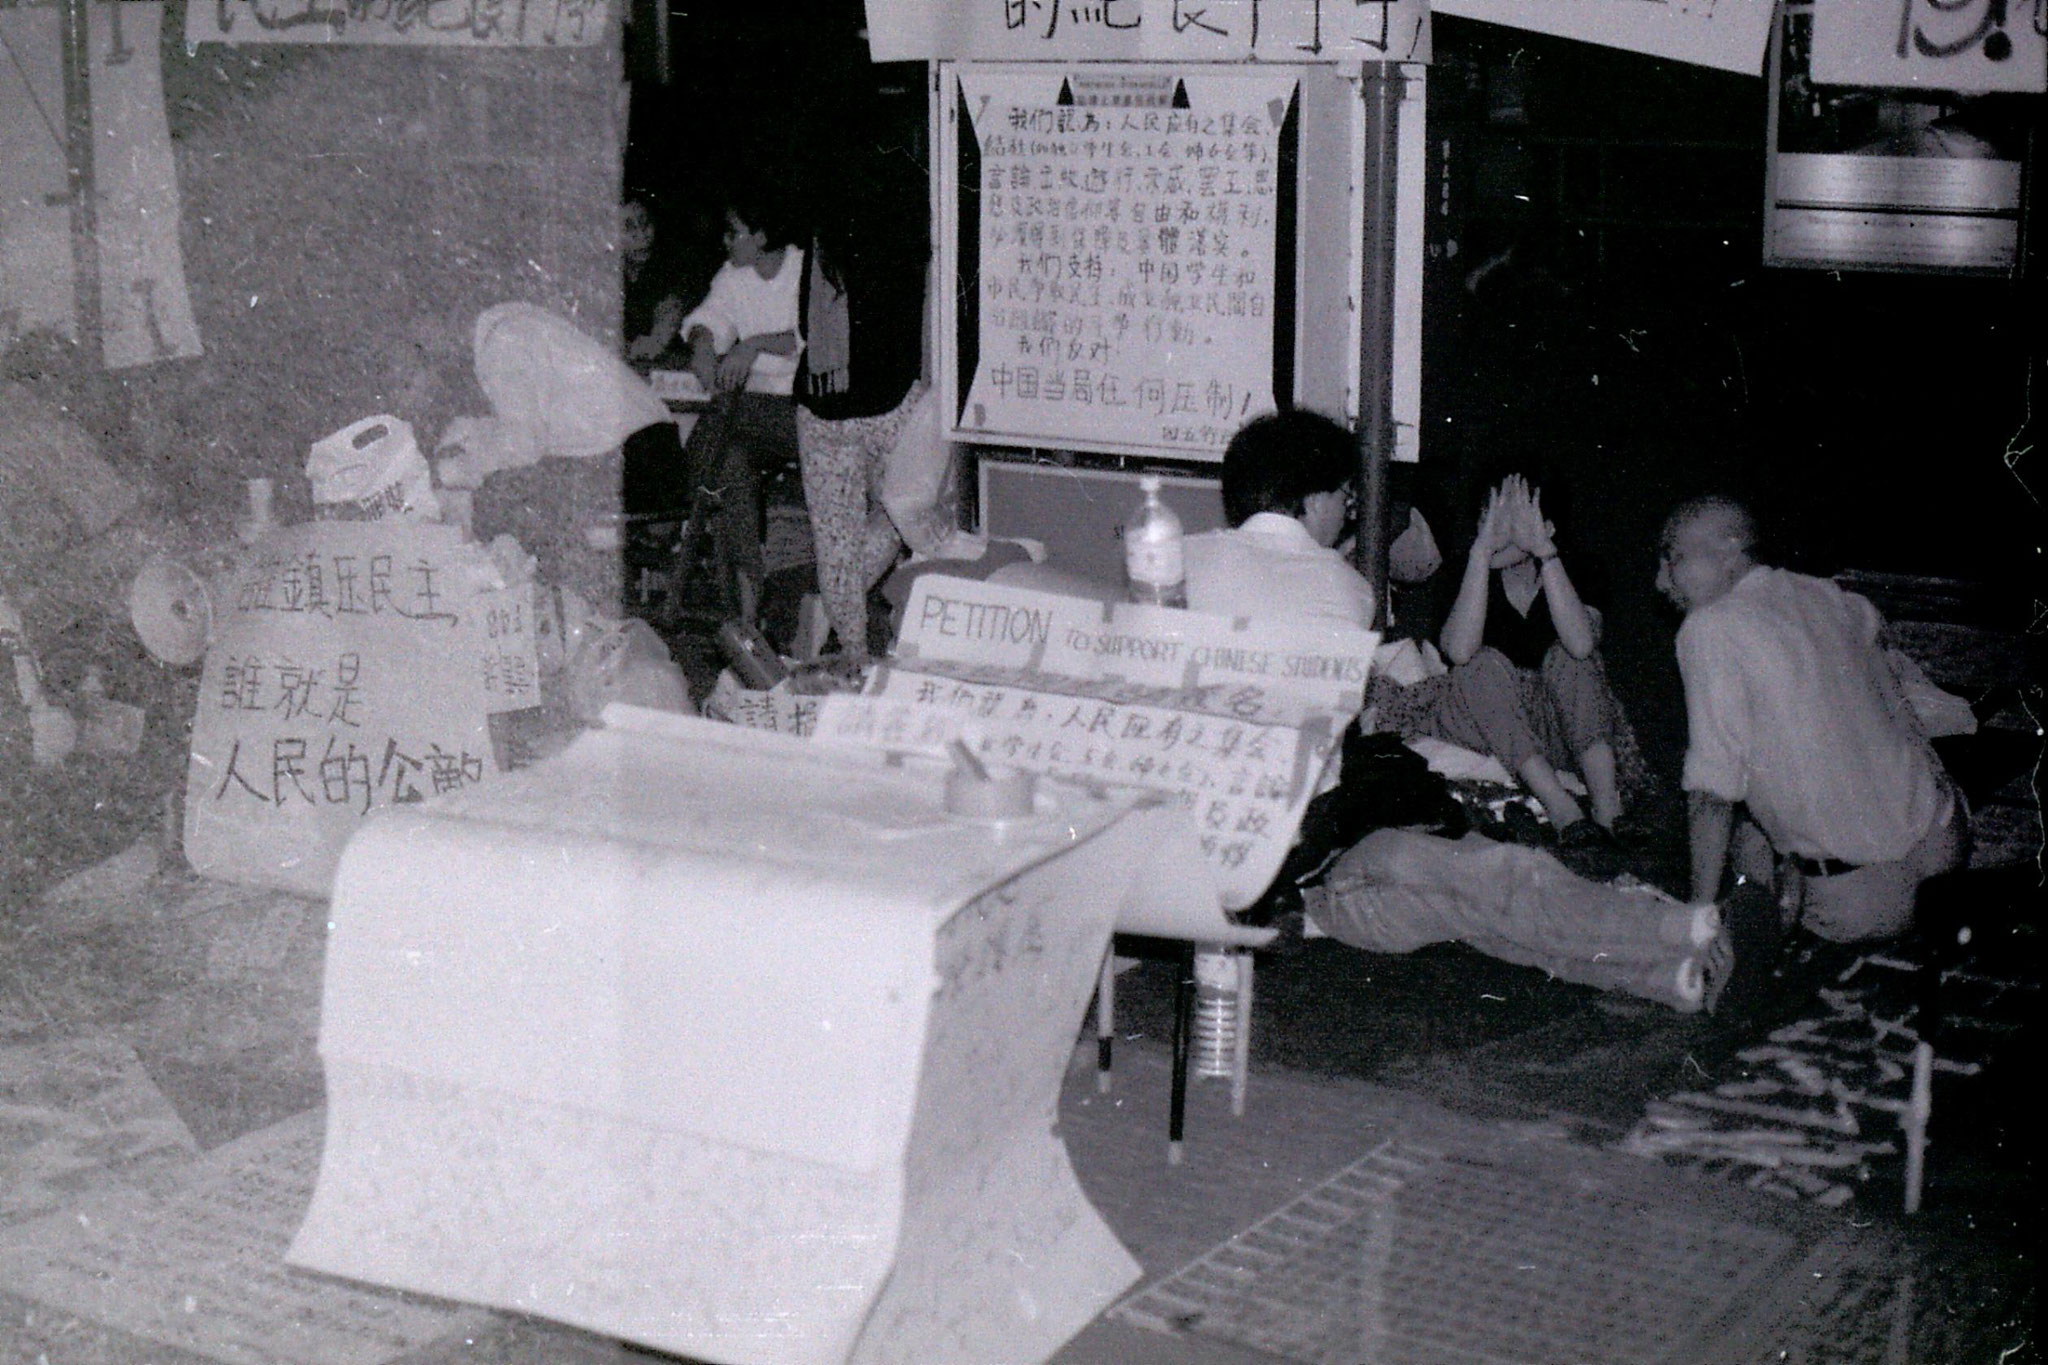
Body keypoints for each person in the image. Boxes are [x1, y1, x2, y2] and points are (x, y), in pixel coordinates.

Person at [1657, 494, 1967, 943]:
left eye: (1674, 558)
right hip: (1946, 849)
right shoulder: (1826, 593)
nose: (1661, 580)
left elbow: (1712, 794)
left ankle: (1757, 940)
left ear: (1730, 549)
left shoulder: (1709, 629)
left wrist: (1697, 920)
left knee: (1746, 839)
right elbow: (1898, 699)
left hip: (1865, 902)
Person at [1371, 472, 1626, 848]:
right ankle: (1562, 809)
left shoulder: (1578, 568)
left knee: (1570, 658)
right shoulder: (1464, 572)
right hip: (1486, 722)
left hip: (1557, 725)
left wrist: (1545, 553)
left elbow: (1582, 645)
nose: (1496, 531)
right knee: (1479, 663)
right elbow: (1458, 652)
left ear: (1548, 526)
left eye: (1512, 519)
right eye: (1487, 516)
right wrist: (1479, 555)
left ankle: (1609, 810)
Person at [792, 150, 931, 661]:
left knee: (835, 539)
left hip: (821, 408)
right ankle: (834, 609)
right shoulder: (906, 241)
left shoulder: (824, 240)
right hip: (889, 407)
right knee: (910, 513)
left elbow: (808, 329)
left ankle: (850, 649)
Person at [662, 185, 806, 627]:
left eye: (734, 233)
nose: (726, 242)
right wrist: (703, 346)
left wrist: (751, 346)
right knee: (729, 464)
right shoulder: (733, 276)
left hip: (802, 410)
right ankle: (750, 594)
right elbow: (710, 318)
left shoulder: (804, 267)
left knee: (719, 429)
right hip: (752, 419)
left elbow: (808, 335)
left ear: (761, 236)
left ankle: (683, 484)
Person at [1183, 408, 1376, 630]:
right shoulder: (1348, 587)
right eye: (1346, 498)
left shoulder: (1180, 560)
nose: (1345, 516)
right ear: (1316, 500)